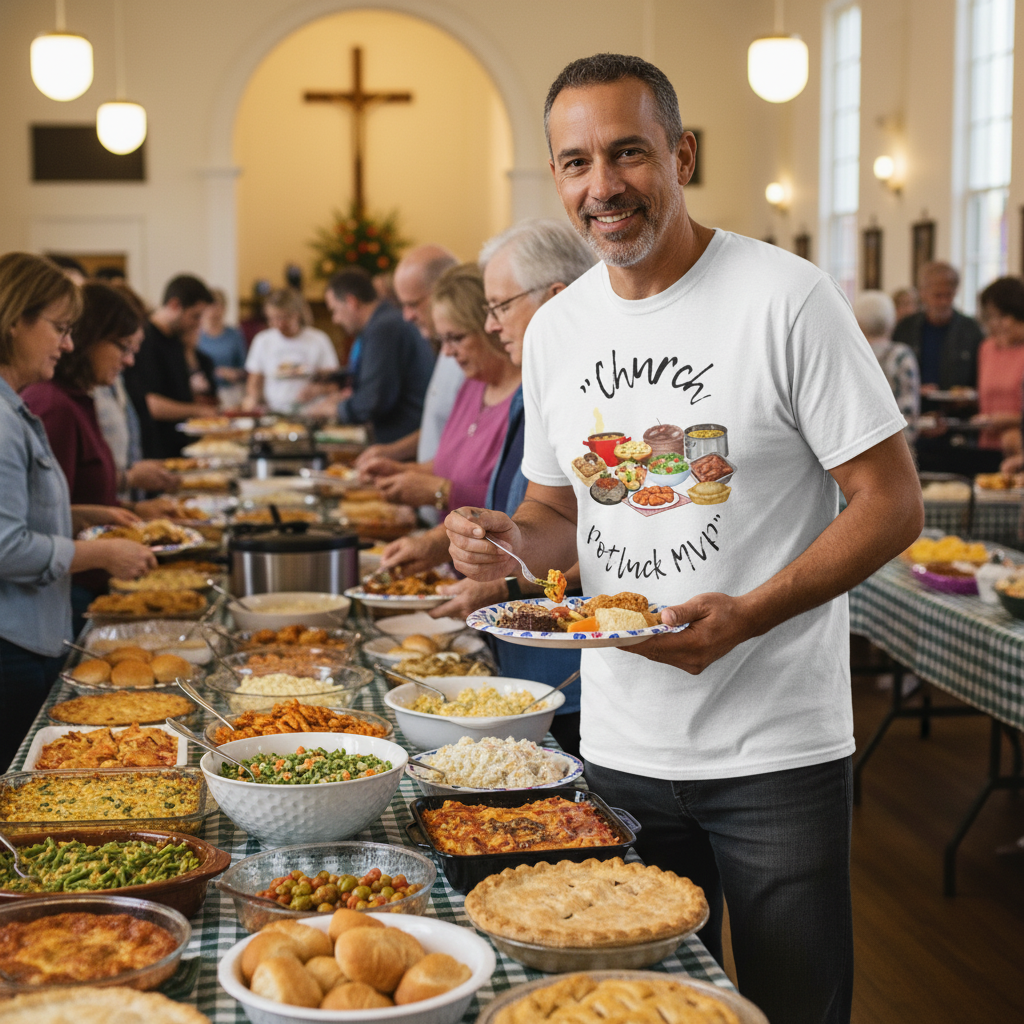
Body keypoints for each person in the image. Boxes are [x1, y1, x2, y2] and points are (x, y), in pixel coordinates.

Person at [444, 54, 923, 1024]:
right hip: (621, 742)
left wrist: (748, 615)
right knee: (640, 1008)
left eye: (628, 153)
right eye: (576, 162)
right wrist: (502, 541)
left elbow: (891, 502)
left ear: (682, 155)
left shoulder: (786, 297)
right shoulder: (557, 331)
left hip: (775, 748)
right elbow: (556, 516)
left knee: (794, 1006)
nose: (602, 185)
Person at [412, 221, 595, 757]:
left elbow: (602, 544)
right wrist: (495, 540)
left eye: (500, 307)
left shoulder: (593, 393)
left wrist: (507, 586)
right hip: (529, 654)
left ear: (556, 299)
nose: (491, 325)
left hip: (572, 665)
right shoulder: (537, 389)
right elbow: (545, 516)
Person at [0, 253, 155, 767]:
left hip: (32, 636)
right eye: (60, 328)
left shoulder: (16, 406)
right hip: (12, 643)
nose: (68, 344)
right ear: (15, 320)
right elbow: (6, 546)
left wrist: (84, 516)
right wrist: (102, 553)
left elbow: (26, 514)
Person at [23, 281, 176, 625]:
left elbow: (70, 503)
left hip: (87, 580)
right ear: (91, 338)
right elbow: (39, 522)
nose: (129, 360)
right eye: (123, 347)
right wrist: (104, 550)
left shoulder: (78, 400)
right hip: (67, 590)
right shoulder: (53, 405)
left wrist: (129, 510)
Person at [302, 270, 433, 444]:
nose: (335, 319)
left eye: (335, 311)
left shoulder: (384, 328)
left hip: (401, 441)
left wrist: (334, 409)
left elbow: (372, 401)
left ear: (351, 302)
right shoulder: (382, 322)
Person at [123, 274, 216, 458]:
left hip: (180, 447)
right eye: (195, 316)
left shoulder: (176, 339)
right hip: (157, 450)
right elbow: (150, 404)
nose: (198, 323)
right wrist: (198, 411)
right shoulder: (145, 341)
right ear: (174, 305)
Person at [243, 288, 338, 414]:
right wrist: (252, 399)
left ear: (297, 314)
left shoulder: (318, 340)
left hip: (311, 411)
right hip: (274, 411)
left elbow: (333, 383)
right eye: (273, 318)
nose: (279, 324)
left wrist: (317, 390)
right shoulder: (263, 340)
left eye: (284, 318)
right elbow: (254, 381)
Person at [893, 262, 983, 391]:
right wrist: (916, 389)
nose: (943, 302)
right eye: (938, 295)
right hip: (915, 402)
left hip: (957, 403)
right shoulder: (905, 328)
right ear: (923, 293)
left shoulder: (971, 330)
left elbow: (980, 375)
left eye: (948, 295)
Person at [970, 277, 1024, 467]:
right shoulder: (987, 349)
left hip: (1018, 447)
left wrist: (1009, 421)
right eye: (990, 317)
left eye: (1002, 316)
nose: (996, 323)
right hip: (986, 446)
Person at [853, 290, 920, 442]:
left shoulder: (850, 354)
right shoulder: (901, 356)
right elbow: (908, 413)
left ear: (857, 322)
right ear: (891, 320)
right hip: (894, 446)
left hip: (855, 446)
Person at [197, 288, 247, 405]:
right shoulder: (195, 335)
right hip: (203, 393)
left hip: (230, 392)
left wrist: (234, 374)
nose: (214, 311)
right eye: (210, 306)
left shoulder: (235, 334)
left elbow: (245, 368)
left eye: (218, 306)